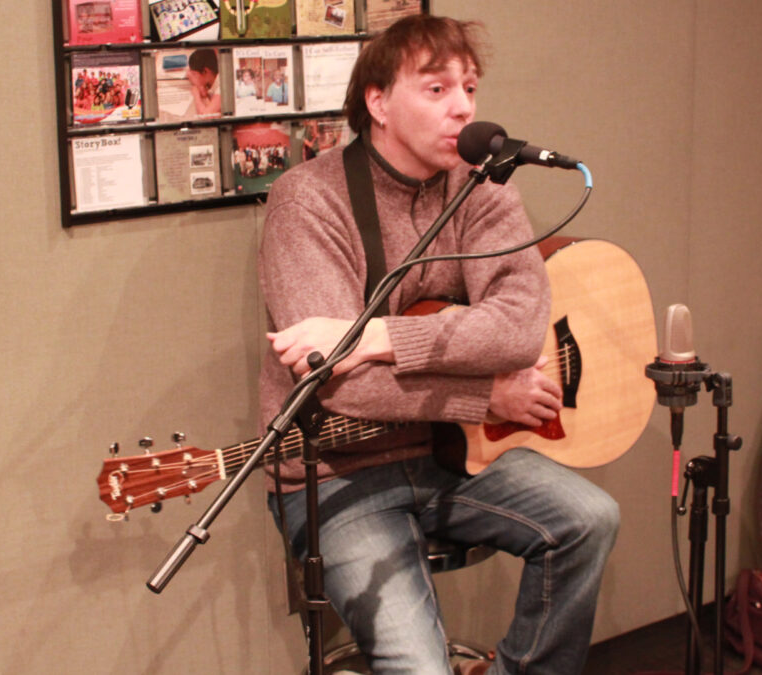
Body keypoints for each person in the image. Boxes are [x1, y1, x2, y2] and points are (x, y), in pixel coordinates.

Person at [258, 14, 618, 675]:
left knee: (590, 518)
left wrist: (375, 335)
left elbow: (516, 326)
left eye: (470, 88)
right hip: (339, 473)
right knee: (419, 667)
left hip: (447, 456)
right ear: (378, 102)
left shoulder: (481, 184)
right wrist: (484, 394)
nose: (464, 108)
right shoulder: (308, 200)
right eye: (436, 89)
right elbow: (338, 382)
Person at [185, 48, 221, 117]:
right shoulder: (213, 78)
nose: (194, 77)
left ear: (205, 71)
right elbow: (189, 73)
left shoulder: (222, 86)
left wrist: (196, 95)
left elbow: (206, 116)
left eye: (195, 74)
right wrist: (201, 88)